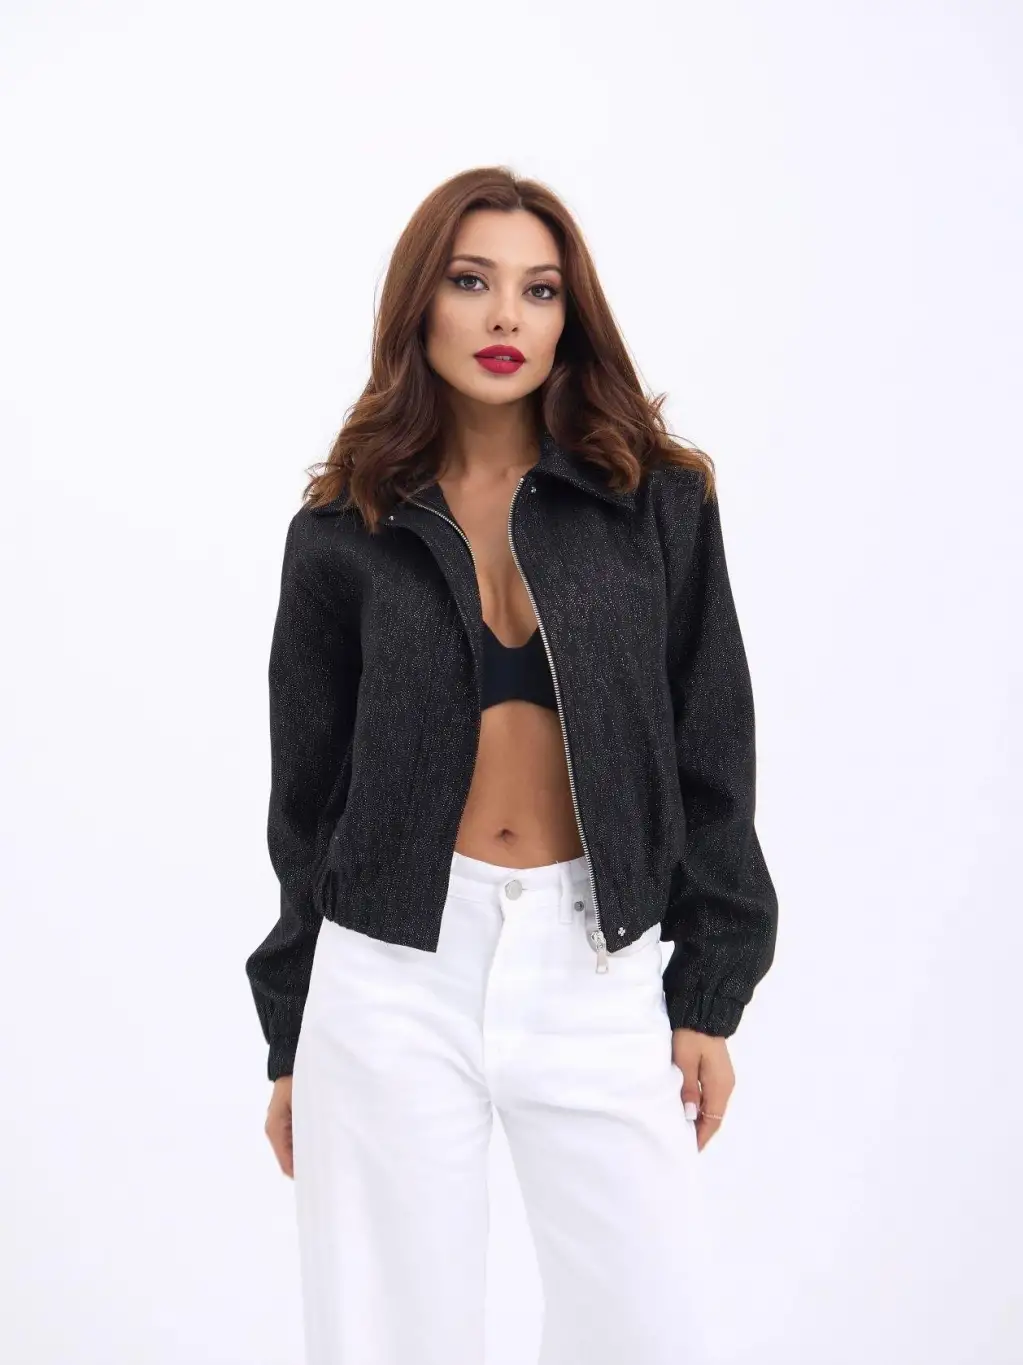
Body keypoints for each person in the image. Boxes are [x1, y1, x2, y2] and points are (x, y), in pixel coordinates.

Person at [244, 165, 778, 1365]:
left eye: (538, 290)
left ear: (569, 314)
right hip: (387, 974)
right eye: (470, 281)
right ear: (418, 307)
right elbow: (304, 804)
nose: (504, 317)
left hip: (594, 963)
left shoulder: (657, 503)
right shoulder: (341, 530)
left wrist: (709, 991)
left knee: (649, 1330)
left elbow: (714, 746)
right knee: (387, 1340)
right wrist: (291, 1034)